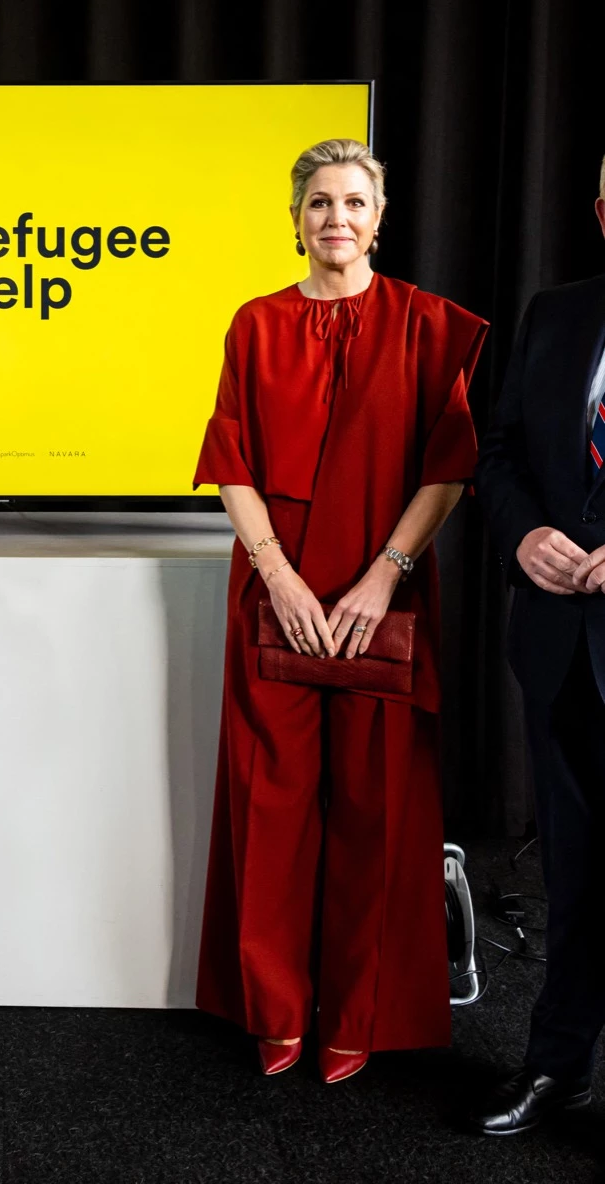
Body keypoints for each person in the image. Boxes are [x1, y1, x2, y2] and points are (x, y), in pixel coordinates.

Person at [193, 138, 488, 1084]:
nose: (337, 218)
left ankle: (356, 1015)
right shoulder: (255, 324)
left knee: (375, 808)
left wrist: (384, 575)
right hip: (276, 595)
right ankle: (276, 1008)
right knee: (271, 806)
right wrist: (278, 575)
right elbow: (231, 460)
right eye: (319, 202)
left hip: (380, 598)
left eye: (355, 202)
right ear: (295, 219)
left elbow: (449, 467)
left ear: (379, 217)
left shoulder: (426, 324)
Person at [472, 155, 605, 1135]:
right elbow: (500, 451)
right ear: (601, 209)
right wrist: (521, 535)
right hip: (559, 644)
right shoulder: (555, 313)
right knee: (574, 872)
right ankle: (559, 1069)